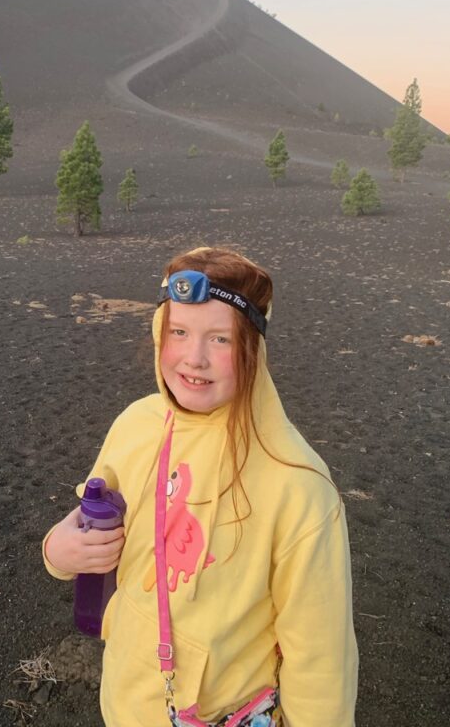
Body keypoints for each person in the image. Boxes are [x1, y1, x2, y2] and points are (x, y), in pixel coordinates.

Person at [42, 247, 358, 727]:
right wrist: (58, 552)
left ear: (253, 347)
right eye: (180, 332)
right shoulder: (136, 425)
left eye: (221, 339)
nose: (195, 358)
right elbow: (89, 522)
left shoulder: (298, 485)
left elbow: (321, 658)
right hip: (126, 704)